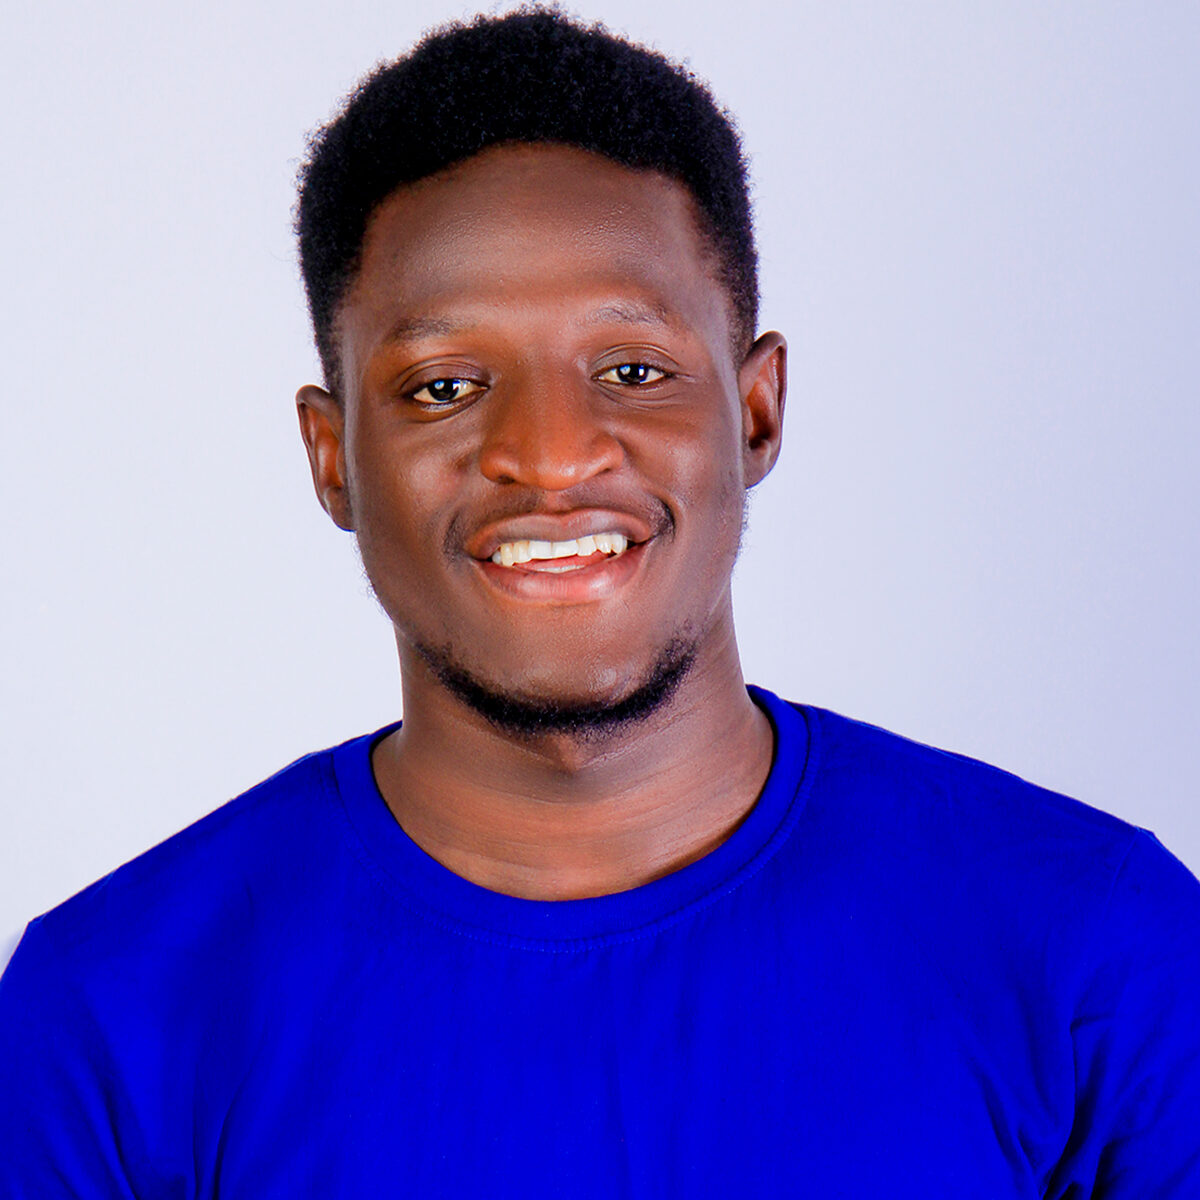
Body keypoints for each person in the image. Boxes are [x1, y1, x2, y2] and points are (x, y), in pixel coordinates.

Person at [2, 9, 1198, 1196]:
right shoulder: (111, 1016)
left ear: (756, 410)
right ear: (333, 459)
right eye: (446, 384)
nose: (551, 453)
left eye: (633, 370)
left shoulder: (1102, 954)